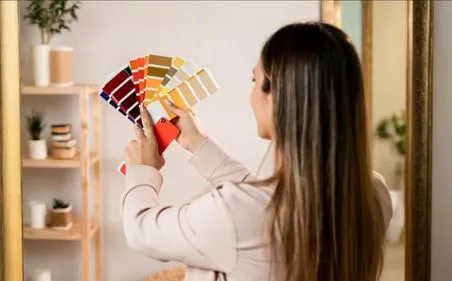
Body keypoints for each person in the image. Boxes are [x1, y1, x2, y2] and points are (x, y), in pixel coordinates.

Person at [121, 22, 393, 281]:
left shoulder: (237, 213)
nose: (251, 93)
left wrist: (142, 170)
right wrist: (199, 144)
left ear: (275, 97)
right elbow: (271, 204)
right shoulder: (374, 195)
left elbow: (142, 230)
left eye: (255, 79)